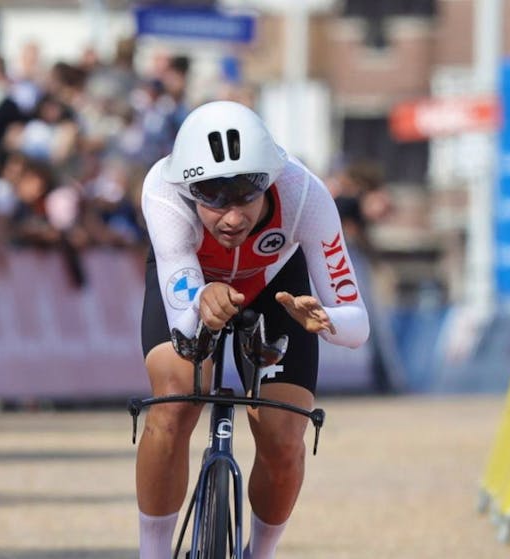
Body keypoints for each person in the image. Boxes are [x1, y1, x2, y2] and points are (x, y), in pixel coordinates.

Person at [136, 100, 369, 558]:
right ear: (188, 188)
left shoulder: (305, 192)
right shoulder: (162, 191)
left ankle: (260, 553)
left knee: (284, 439)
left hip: (281, 292)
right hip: (195, 283)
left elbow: (355, 322)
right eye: (213, 198)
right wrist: (202, 304)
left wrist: (324, 319)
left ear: (271, 181)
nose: (232, 217)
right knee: (173, 406)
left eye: (246, 194)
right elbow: (183, 317)